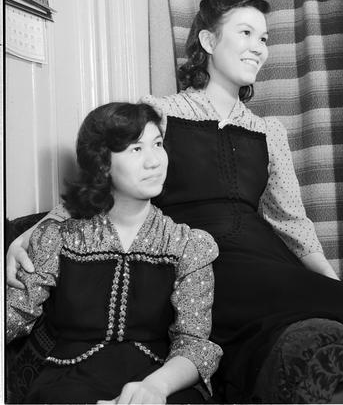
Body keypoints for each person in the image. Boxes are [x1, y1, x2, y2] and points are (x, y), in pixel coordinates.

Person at [7, 0, 343, 403]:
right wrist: (29, 236)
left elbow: (291, 220)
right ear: (208, 41)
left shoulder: (269, 131)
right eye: (246, 33)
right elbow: (101, 179)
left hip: (266, 257)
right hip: (209, 260)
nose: (258, 47)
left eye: (264, 38)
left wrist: (328, 280)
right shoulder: (160, 112)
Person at [6, 102, 222, 404]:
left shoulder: (189, 245)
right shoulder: (58, 238)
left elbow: (194, 344)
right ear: (102, 163)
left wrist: (155, 388)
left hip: (160, 381)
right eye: (136, 149)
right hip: (66, 383)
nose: (154, 161)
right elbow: (14, 314)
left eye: (157, 145)